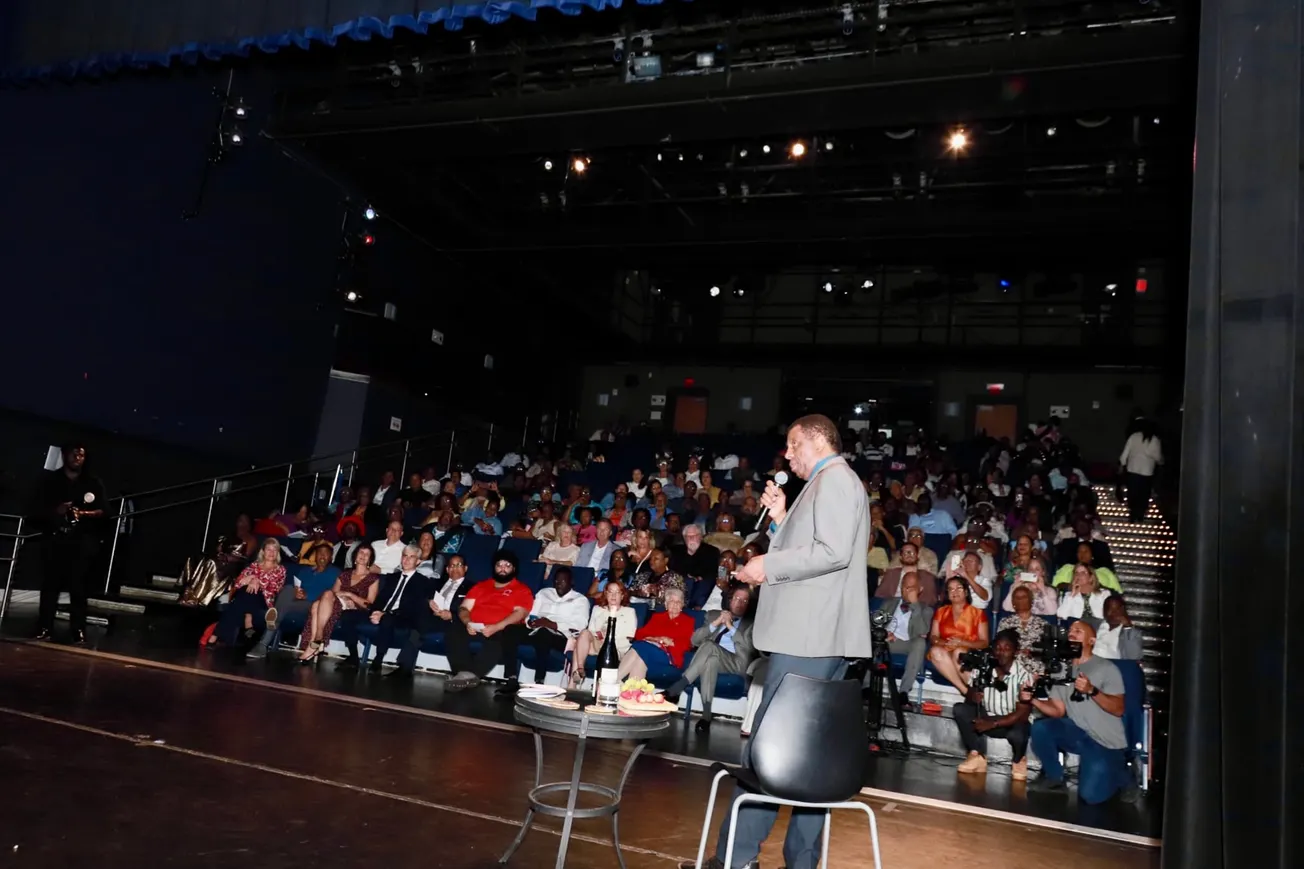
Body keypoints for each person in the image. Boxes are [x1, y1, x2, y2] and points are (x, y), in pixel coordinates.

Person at [686, 415, 871, 869]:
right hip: (818, 637)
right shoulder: (830, 484)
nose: (787, 455)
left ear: (815, 440)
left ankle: (735, 858)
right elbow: (818, 547)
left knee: (770, 751)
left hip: (807, 637)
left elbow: (831, 553)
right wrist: (784, 517)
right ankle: (801, 861)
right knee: (811, 758)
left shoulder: (835, 481)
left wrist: (767, 567)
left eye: (792, 446)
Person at [1025, 620, 1137, 804]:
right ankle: (1055, 778)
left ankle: (1123, 775)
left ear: (1092, 640)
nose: (1071, 633)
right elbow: (1058, 710)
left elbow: (1119, 709)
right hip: (1079, 733)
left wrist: (1092, 691)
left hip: (1105, 741)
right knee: (1041, 728)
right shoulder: (1061, 670)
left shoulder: (1106, 668)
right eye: (1070, 631)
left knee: (1090, 797)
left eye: (1078, 631)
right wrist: (1033, 700)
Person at [30, 443, 106, 644]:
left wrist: (83, 513)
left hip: (81, 543)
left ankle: (78, 629)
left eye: (81, 455)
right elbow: (34, 510)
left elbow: (104, 511)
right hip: (55, 540)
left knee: (79, 589)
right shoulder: (50, 480)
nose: (77, 458)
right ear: (64, 456)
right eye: (74, 454)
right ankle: (44, 627)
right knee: (50, 587)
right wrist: (57, 511)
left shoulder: (92, 482)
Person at [666, 585, 757, 732]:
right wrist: (717, 622)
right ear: (730, 600)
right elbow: (694, 640)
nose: (739, 603)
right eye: (737, 598)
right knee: (711, 660)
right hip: (714, 657)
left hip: (736, 663)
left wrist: (730, 627)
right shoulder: (714, 615)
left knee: (710, 646)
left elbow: (749, 649)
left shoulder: (752, 623)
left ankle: (679, 686)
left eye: (744, 600)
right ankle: (706, 716)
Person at [444, 550, 535, 690]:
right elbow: (464, 608)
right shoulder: (481, 586)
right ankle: (463, 674)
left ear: (514, 569)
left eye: (507, 565)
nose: (503, 568)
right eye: (499, 565)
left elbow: (520, 613)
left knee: (502, 636)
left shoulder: (521, 589)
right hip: (476, 626)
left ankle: (469, 675)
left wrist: (497, 626)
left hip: (501, 629)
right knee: (454, 629)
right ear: (494, 567)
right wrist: (467, 622)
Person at [952, 630, 1034, 780]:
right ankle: (977, 756)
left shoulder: (1024, 675)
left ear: (1015, 651)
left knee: (1018, 732)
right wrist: (974, 696)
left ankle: (1018, 760)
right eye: (998, 648)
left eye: (1006, 648)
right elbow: (969, 697)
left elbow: (1023, 714)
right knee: (960, 710)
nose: (1001, 652)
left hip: (1011, 722)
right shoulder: (983, 668)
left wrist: (993, 724)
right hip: (987, 717)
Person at [298, 543, 379, 665]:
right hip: (338, 604)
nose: (363, 556)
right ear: (355, 556)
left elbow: (369, 604)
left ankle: (315, 642)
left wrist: (350, 596)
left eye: (367, 554)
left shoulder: (373, 578)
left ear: (370, 559)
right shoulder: (344, 574)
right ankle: (317, 642)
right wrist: (342, 597)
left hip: (356, 609)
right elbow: (334, 593)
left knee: (319, 603)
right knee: (319, 602)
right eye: (361, 552)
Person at [511, 567, 591, 688]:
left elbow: (580, 625)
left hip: (561, 637)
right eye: (556, 581)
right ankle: (511, 677)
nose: (559, 584)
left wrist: (553, 625)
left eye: (563, 581)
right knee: (510, 630)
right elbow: (531, 613)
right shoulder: (544, 593)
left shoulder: (580, 600)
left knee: (544, 633)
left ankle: (539, 680)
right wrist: (531, 622)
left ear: (571, 582)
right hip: (536, 630)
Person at [365, 545, 433, 679]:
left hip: (403, 617)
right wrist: (375, 612)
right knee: (352, 617)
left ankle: (378, 659)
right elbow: (381, 598)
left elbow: (412, 607)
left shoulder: (422, 582)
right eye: (404, 556)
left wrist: (384, 615)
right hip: (384, 614)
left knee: (388, 619)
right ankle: (353, 658)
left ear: (418, 561)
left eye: (411, 557)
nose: (407, 560)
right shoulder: (392, 577)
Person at [212, 539, 286, 650]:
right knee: (245, 592)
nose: (271, 552)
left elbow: (275, 588)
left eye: (274, 550)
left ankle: (215, 635)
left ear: (278, 553)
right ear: (263, 551)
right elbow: (238, 583)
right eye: (268, 549)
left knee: (243, 598)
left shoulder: (280, 570)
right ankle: (248, 620)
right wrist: (250, 578)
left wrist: (257, 581)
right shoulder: (254, 565)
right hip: (246, 598)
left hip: (264, 600)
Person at [874, 572, 932, 706]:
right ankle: (866, 688)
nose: (907, 591)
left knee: (920, 642)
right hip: (888, 641)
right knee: (874, 641)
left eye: (912, 588)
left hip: (909, 643)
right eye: (905, 587)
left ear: (920, 589)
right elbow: (875, 624)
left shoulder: (926, 610)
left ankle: (903, 692)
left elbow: (922, 632)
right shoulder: (889, 603)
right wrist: (884, 633)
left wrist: (915, 605)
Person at [927, 577, 991, 694]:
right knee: (935, 651)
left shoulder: (978, 613)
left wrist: (962, 643)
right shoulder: (941, 612)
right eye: (950, 589)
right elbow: (933, 637)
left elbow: (984, 642)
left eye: (959, 588)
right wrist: (947, 643)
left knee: (959, 653)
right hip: (946, 649)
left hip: (970, 651)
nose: (954, 592)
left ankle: (976, 689)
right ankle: (965, 691)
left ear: (966, 592)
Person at [573, 581, 638, 685]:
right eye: (610, 592)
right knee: (584, 634)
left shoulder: (629, 612)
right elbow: (591, 631)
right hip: (597, 644)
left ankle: (573, 684)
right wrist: (600, 635)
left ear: (622, 596)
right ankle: (580, 669)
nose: (613, 595)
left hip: (616, 649)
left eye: (617, 592)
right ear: (606, 594)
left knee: (578, 647)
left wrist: (609, 639)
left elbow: (629, 637)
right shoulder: (597, 609)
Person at [1118, 417, 1162, 522]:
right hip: (1147, 471)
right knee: (1143, 494)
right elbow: (1157, 457)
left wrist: (1122, 464)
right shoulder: (1154, 440)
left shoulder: (1134, 437)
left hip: (1132, 469)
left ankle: (1133, 513)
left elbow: (1125, 452)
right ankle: (1140, 514)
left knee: (1133, 492)